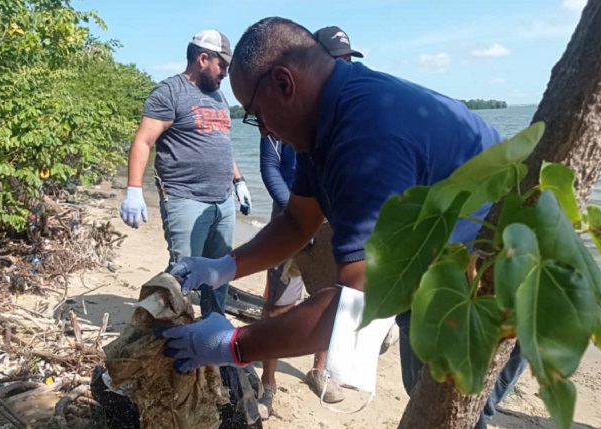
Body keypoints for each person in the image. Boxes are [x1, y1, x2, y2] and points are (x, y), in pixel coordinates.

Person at [157, 18, 526, 428]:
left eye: (257, 114)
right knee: (419, 391)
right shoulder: (324, 120)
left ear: (284, 82)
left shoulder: (365, 138)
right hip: (424, 277)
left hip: (490, 285)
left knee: (450, 414)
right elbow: (299, 221)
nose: (262, 129)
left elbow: (357, 303)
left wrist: (235, 344)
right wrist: (224, 266)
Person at [256, 25, 364, 419]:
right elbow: (270, 170)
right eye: (339, 61)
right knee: (278, 304)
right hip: (289, 220)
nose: (345, 68)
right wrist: (300, 215)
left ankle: (320, 371)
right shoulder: (283, 106)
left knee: (329, 297)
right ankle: (267, 382)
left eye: (349, 61)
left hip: (332, 225)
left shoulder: (348, 115)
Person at [119, 30, 252, 317]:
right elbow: (143, 141)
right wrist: (133, 189)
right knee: (184, 272)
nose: (225, 74)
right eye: (223, 66)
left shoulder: (218, 97)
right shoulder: (169, 92)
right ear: (203, 58)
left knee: (220, 273)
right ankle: (170, 334)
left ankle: (212, 330)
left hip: (222, 201)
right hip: (185, 198)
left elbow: (222, 143)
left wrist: (238, 180)